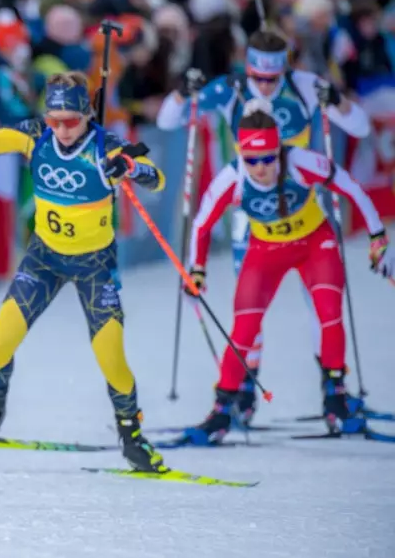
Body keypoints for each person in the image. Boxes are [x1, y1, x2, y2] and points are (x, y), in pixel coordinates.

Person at [0, 72, 170, 474]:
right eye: (54, 120)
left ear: (87, 114)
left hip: (94, 266)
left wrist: (130, 167)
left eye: (71, 121)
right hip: (43, 259)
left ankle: (132, 437)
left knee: (112, 357)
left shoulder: (106, 146)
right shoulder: (37, 136)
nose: (61, 129)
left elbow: (157, 177)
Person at [155, 30, 372, 425]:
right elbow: (167, 120)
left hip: (303, 210)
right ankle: (243, 392)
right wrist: (181, 91)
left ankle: (332, 388)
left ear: (284, 70)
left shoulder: (305, 86)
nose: (266, 87)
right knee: (248, 310)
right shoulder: (230, 89)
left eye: (273, 79)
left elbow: (360, 128)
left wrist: (337, 101)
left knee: (319, 305)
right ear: (247, 67)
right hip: (250, 218)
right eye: (259, 77)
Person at [182, 101, 392, 443]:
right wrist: (197, 270)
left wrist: (377, 237)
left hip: (314, 244)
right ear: (240, 154)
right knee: (244, 329)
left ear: (279, 149)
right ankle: (222, 410)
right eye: (253, 160)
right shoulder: (232, 177)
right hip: (265, 252)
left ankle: (335, 397)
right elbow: (201, 224)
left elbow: (352, 187)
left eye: (269, 157)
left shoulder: (299, 161)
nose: (262, 167)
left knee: (329, 315)